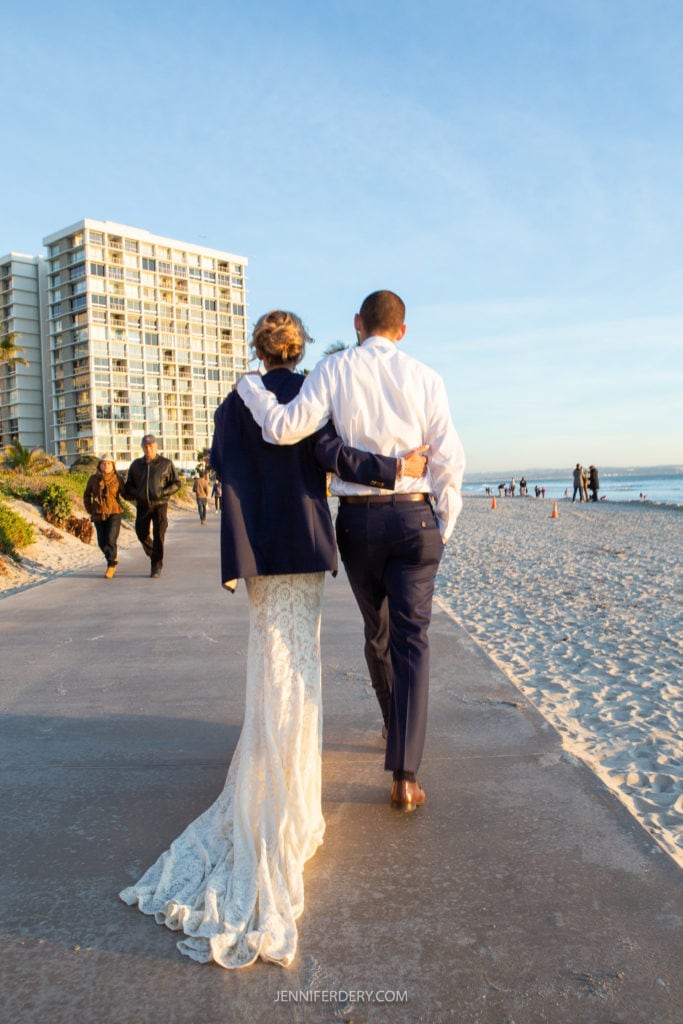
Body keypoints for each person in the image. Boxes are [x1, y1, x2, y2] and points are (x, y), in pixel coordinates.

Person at [119, 309, 426, 969]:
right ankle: (292, 787)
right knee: (301, 664)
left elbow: (222, 464)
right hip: (306, 546)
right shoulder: (310, 392)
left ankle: (268, 769)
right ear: (298, 349)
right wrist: (395, 470)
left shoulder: (236, 403)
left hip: (257, 552)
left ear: (258, 351)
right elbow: (327, 454)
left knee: (268, 663)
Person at [237, 290, 465, 813]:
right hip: (415, 517)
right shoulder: (427, 378)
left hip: (360, 523)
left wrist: (250, 389)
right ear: (402, 331)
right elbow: (450, 459)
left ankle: (392, 721)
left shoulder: (334, 369)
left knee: (378, 633)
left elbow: (283, 429)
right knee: (415, 641)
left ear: (359, 323)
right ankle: (405, 774)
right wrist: (442, 526)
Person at [124, 434, 181, 577]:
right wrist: (136, 493)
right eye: (145, 445)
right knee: (141, 533)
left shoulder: (166, 464)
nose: (148, 448)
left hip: (160, 504)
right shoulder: (136, 465)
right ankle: (155, 555)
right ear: (142, 447)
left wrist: (163, 492)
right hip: (143, 504)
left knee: (159, 534)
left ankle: (156, 566)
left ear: (156, 446)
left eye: (151, 445)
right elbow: (129, 484)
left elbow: (177, 483)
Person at [83, 453, 126, 578]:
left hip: (114, 512)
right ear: (99, 465)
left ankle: (111, 565)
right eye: (103, 463)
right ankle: (112, 557)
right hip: (98, 513)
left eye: (108, 463)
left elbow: (125, 493)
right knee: (102, 543)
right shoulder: (93, 479)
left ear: (113, 466)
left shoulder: (118, 479)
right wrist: (90, 509)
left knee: (111, 539)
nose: (106, 465)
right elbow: (87, 495)